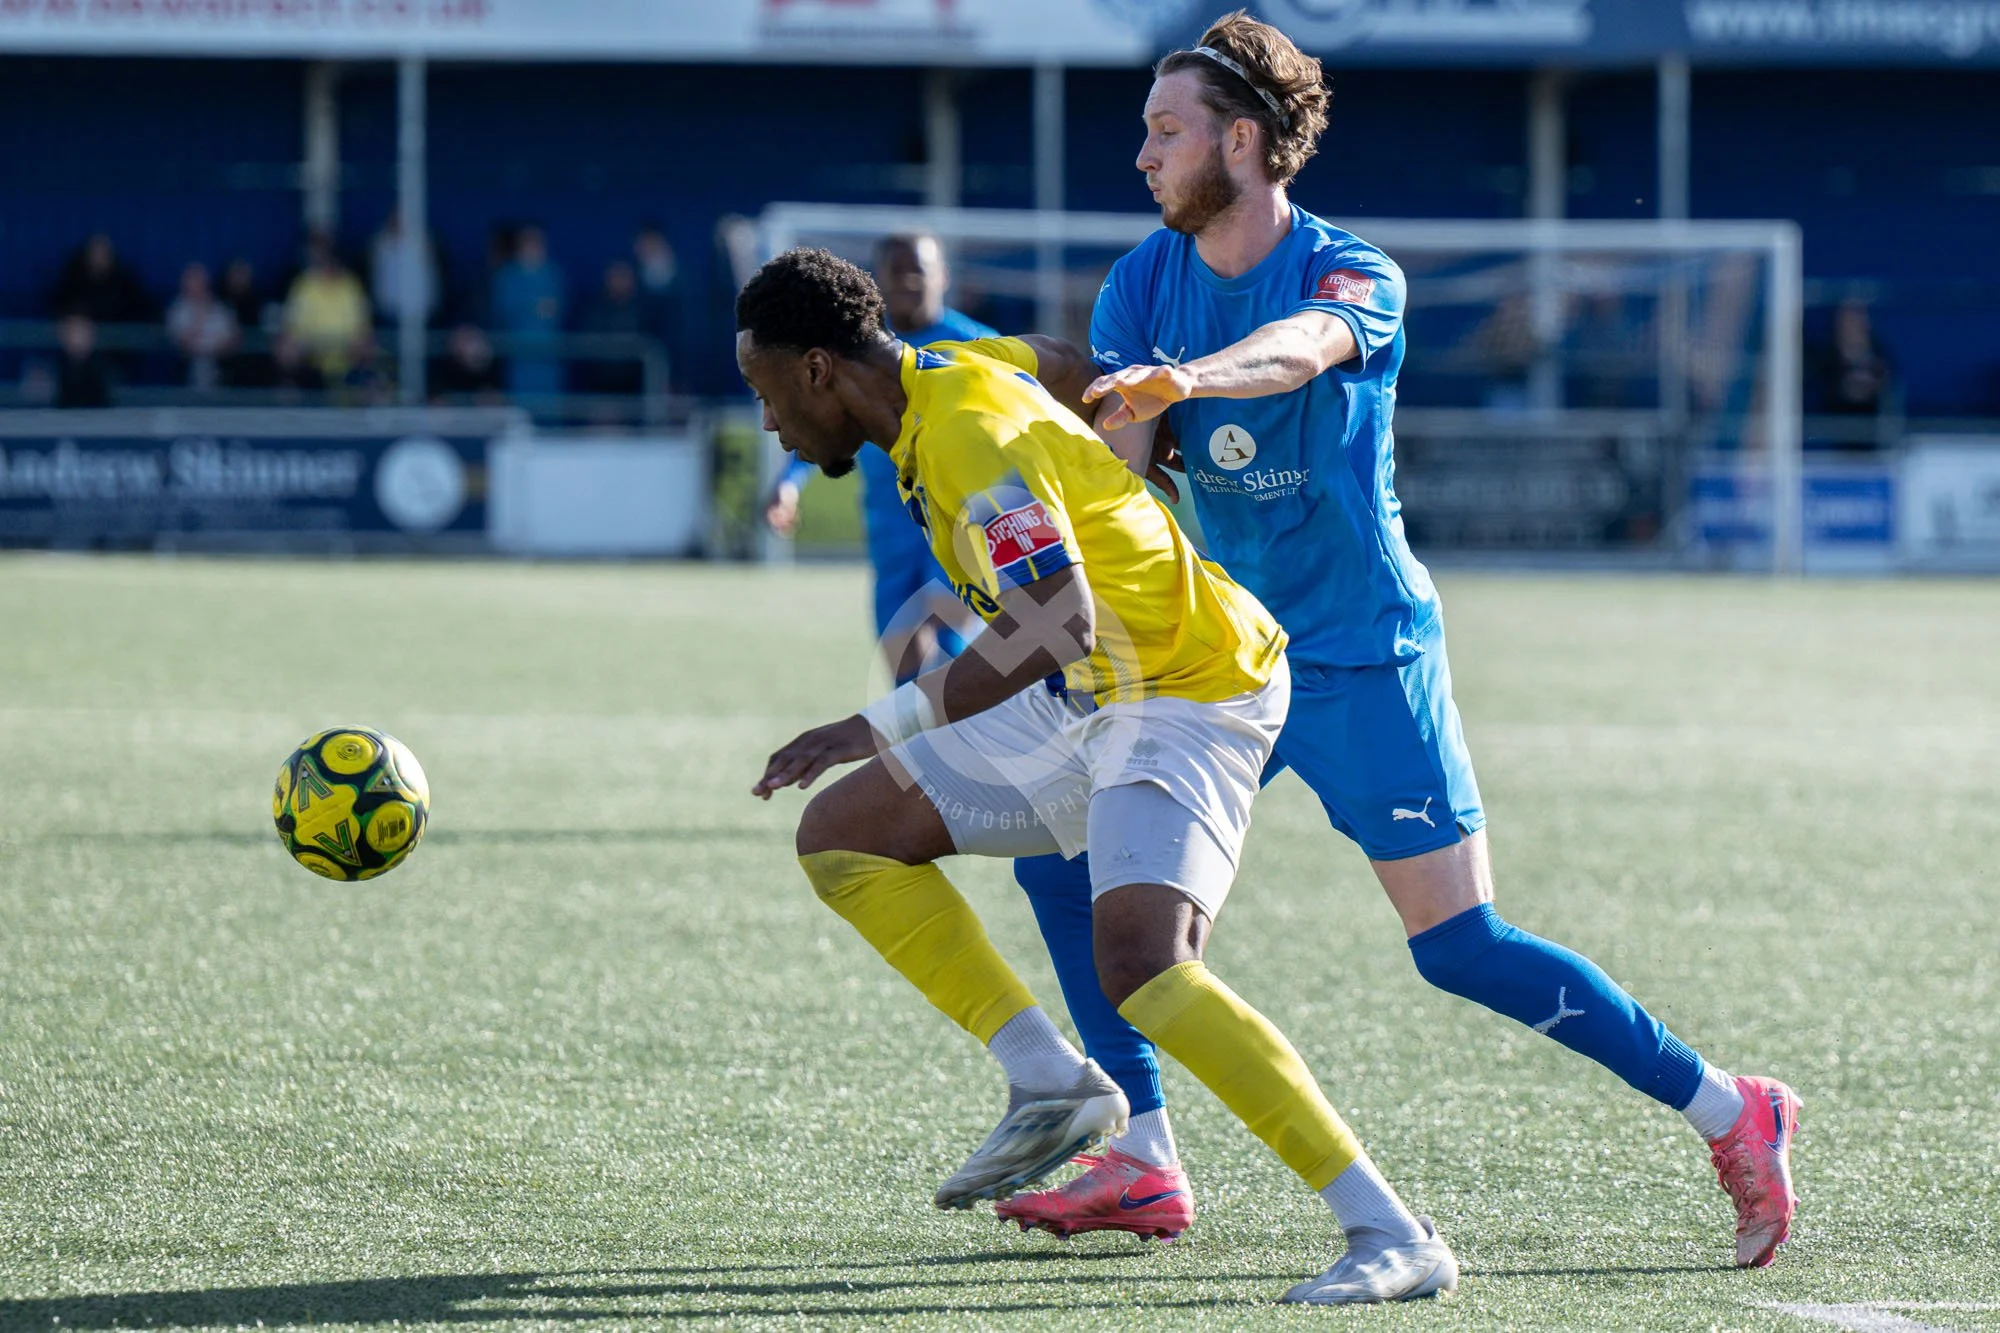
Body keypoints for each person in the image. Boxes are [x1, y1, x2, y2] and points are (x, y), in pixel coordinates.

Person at [989, 11, 1802, 1275]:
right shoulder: (1137, 281)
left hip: (1367, 657)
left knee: (1457, 948)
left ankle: (1728, 1108)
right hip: (1221, 659)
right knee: (1063, 857)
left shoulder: (1352, 272)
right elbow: (1127, 480)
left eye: (1164, 131)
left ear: (1243, 142)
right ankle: (1144, 1153)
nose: (1140, 156)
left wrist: (1187, 381)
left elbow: (1297, 350)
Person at [737, 245, 1457, 1306]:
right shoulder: (957, 364)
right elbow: (1066, 360)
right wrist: (1121, 437)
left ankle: (1389, 1231)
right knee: (843, 838)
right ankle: (1047, 1079)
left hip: (1189, 686)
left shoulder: (965, 433)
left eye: (762, 394)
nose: (767, 428)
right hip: (1091, 690)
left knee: (1145, 965)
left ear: (812, 370)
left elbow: (1049, 614)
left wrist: (873, 721)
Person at [763, 234, 994, 683]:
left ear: (942, 276)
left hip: (960, 519)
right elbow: (823, 423)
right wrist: (788, 484)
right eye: (896, 272)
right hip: (889, 528)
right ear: (877, 281)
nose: (908, 282)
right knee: (901, 659)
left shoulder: (980, 348)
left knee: (941, 636)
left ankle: (957, 734)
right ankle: (928, 738)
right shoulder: (852, 350)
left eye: (919, 272)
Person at [283, 231, 374, 385]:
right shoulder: (304, 285)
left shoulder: (351, 285)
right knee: (287, 352)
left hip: (347, 362)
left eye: (331, 258)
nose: (327, 264)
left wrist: (358, 344)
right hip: (310, 363)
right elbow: (292, 330)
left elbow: (363, 329)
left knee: (370, 357)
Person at [490, 225, 566, 399]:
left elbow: (555, 309)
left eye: (538, 244)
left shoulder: (553, 274)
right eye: (529, 244)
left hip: (547, 355)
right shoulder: (507, 276)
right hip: (518, 354)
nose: (534, 249)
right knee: (520, 403)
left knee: (549, 402)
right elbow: (504, 310)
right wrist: (533, 308)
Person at [165, 262, 241, 392]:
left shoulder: (219, 308)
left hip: (219, 360)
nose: (197, 287)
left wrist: (214, 349)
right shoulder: (177, 310)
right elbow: (183, 342)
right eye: (192, 282)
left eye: (200, 282)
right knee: (200, 366)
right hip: (189, 363)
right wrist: (199, 319)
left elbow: (233, 339)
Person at [53, 313, 113, 408]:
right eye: (71, 332)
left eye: (81, 332)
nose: (76, 338)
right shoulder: (53, 368)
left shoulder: (103, 370)